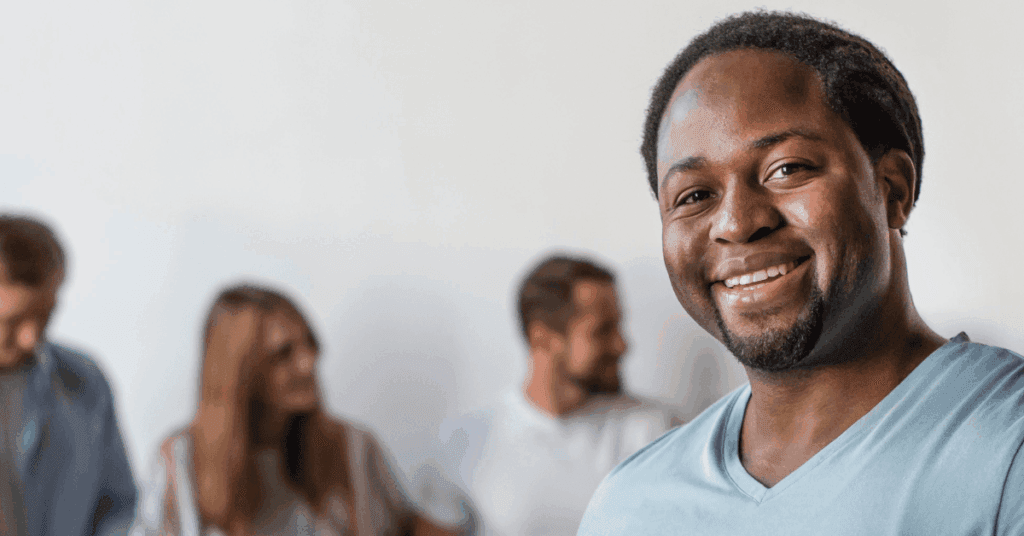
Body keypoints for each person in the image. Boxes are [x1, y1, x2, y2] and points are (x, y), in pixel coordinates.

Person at [576, 11, 1024, 535]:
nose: (738, 223)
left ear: (893, 190)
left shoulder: (1006, 452)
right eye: (695, 195)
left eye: (788, 169)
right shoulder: (631, 506)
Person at [132, 283, 465, 536]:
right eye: (284, 354)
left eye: (310, 344)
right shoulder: (180, 462)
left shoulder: (354, 448)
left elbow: (408, 527)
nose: (308, 363)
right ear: (239, 371)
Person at [440, 254, 683, 536]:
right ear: (543, 339)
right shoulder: (467, 443)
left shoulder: (658, 434)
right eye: (602, 330)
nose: (621, 345)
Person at [0, 214, 137, 535]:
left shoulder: (85, 381)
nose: (31, 338)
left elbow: (117, 504)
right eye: (13, 320)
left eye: (44, 315)